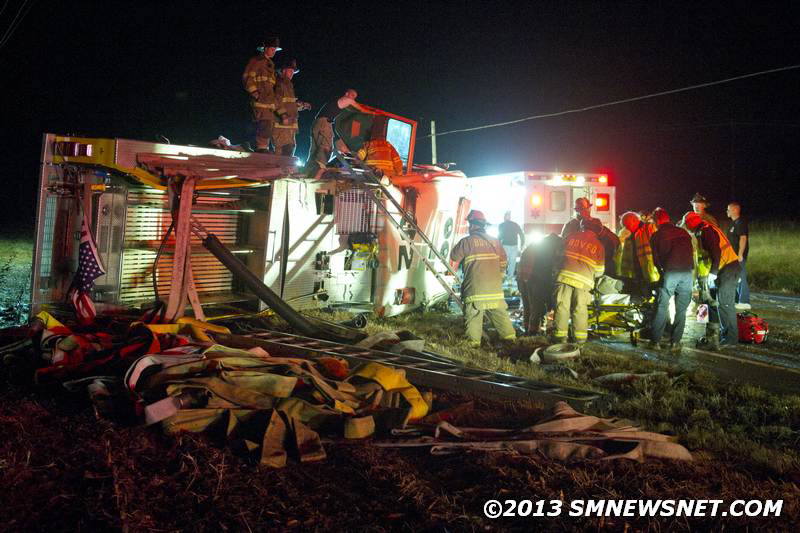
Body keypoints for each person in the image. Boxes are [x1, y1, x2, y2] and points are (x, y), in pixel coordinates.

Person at [450, 210, 516, 346]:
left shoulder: (467, 242)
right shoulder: (496, 242)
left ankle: (473, 347)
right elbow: (504, 263)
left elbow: (454, 256)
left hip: (475, 291)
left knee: (473, 317)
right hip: (494, 291)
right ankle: (512, 343)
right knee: (500, 316)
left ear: (473, 225)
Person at [684, 212, 741, 349]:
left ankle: (730, 339)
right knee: (711, 303)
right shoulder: (701, 232)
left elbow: (716, 253)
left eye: (687, 225)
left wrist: (713, 274)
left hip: (727, 268)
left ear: (691, 223)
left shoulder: (706, 231)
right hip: (721, 269)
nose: (686, 227)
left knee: (725, 304)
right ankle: (714, 335)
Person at [553, 217, 604, 344]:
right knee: (580, 309)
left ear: (582, 226)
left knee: (562, 307)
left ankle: (561, 338)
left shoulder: (570, 237)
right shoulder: (599, 246)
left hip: (564, 276)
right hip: (584, 282)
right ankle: (580, 340)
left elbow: (557, 256)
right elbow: (599, 271)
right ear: (598, 231)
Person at [649, 207, 694, 353]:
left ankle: (655, 342)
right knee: (681, 309)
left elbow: (656, 260)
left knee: (662, 305)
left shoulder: (656, 236)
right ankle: (675, 343)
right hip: (687, 273)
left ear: (657, 221)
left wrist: (662, 274)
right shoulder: (683, 232)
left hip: (671, 272)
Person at [305, 89, 367, 179]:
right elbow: (361, 109)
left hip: (317, 123)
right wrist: (373, 112)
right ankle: (319, 173)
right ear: (346, 93)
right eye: (352, 95)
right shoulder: (347, 100)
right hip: (324, 123)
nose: (353, 98)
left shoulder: (336, 103)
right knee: (325, 148)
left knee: (314, 151)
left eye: (355, 97)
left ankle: (307, 173)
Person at [516, 234, 563, 335]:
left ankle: (529, 331)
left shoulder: (535, 246)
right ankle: (534, 332)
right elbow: (553, 268)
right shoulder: (552, 250)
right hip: (536, 280)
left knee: (528, 307)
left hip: (524, 279)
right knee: (536, 308)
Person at [242, 37, 281, 152]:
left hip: (268, 103)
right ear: (265, 48)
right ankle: (260, 149)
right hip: (260, 102)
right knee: (263, 124)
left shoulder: (270, 64)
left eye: (275, 49)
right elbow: (247, 77)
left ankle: (263, 148)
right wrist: (255, 93)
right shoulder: (257, 61)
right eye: (272, 49)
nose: (274, 51)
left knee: (268, 125)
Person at [272, 58, 311, 156]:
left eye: (293, 71)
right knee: (283, 150)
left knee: (290, 148)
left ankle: (284, 170)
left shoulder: (288, 84)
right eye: (290, 71)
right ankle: (278, 170)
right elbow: (276, 100)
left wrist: (302, 106)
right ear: (283, 70)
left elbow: (289, 104)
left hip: (289, 126)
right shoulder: (280, 83)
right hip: (281, 125)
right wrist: (283, 115)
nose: (292, 73)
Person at [618, 211, 660, 297]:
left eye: (627, 225)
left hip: (652, 273)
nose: (627, 229)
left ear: (634, 221)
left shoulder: (649, 228)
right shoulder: (629, 238)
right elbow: (625, 259)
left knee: (655, 297)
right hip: (638, 275)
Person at [726, 202, 750, 309]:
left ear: (735, 210)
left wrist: (740, 254)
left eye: (728, 209)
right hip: (732, 256)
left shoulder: (741, 223)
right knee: (735, 278)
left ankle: (744, 301)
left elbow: (743, 238)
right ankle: (736, 300)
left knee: (741, 277)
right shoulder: (733, 223)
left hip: (738, 255)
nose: (727, 211)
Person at [498, 211, 525, 284]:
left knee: (504, 262)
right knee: (512, 263)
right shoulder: (515, 225)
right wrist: (522, 244)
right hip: (513, 246)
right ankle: (510, 278)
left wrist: (498, 246)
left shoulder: (501, 225)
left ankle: (503, 277)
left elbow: (499, 237)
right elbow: (521, 234)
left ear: (505, 217)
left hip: (506, 246)